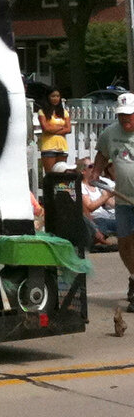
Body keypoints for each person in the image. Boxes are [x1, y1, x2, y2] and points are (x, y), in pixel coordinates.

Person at [93, 91, 134, 312]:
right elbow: (102, 153)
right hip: (124, 198)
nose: (125, 119)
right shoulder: (111, 133)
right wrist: (97, 171)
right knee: (125, 243)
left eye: (129, 115)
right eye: (121, 115)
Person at [81, 158, 117, 247]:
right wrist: (105, 196)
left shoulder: (97, 185)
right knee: (100, 222)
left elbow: (111, 203)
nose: (94, 168)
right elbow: (89, 207)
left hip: (108, 217)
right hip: (96, 219)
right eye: (91, 166)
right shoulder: (81, 187)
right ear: (83, 171)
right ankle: (101, 241)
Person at [38, 88, 71, 173]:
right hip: (49, 147)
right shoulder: (42, 112)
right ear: (48, 97)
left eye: (57, 96)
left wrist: (53, 129)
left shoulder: (64, 112)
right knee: (50, 175)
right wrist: (61, 127)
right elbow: (45, 129)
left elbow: (68, 129)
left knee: (61, 175)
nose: (56, 98)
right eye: (53, 96)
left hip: (62, 147)